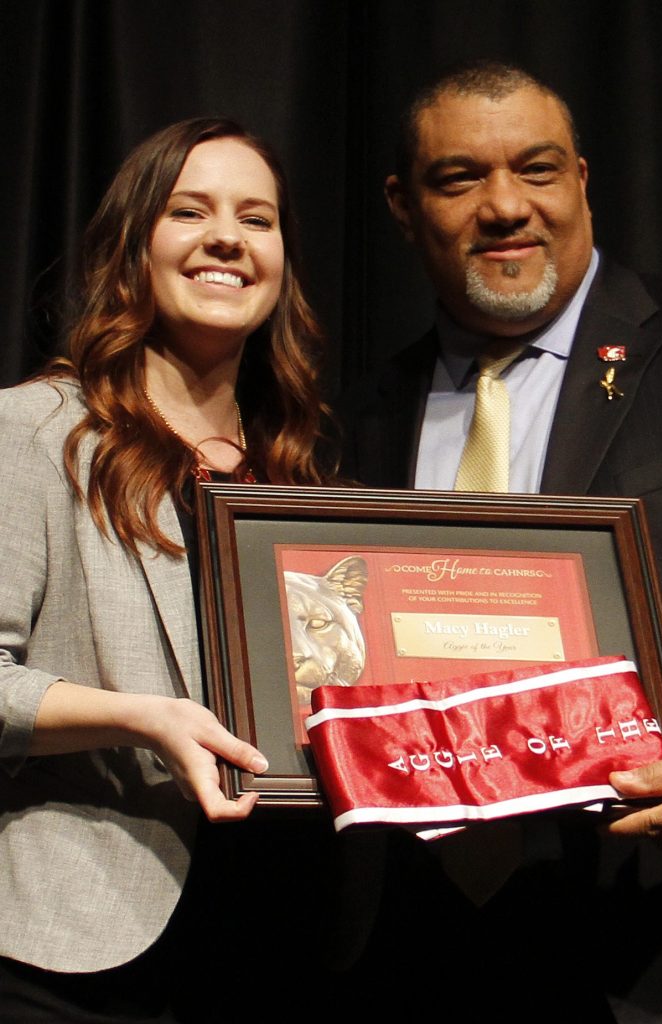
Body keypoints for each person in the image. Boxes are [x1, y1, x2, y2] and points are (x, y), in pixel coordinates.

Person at [339, 61, 662, 1020]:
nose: (505, 206)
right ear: (402, 203)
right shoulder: (356, 418)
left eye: (537, 170)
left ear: (583, 180)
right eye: (459, 178)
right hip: (408, 944)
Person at [0, 117, 336, 1021]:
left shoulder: (299, 471)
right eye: (190, 211)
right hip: (80, 948)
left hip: (281, 939)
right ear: (132, 246)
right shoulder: (33, 432)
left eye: (257, 219)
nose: (227, 236)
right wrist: (139, 718)